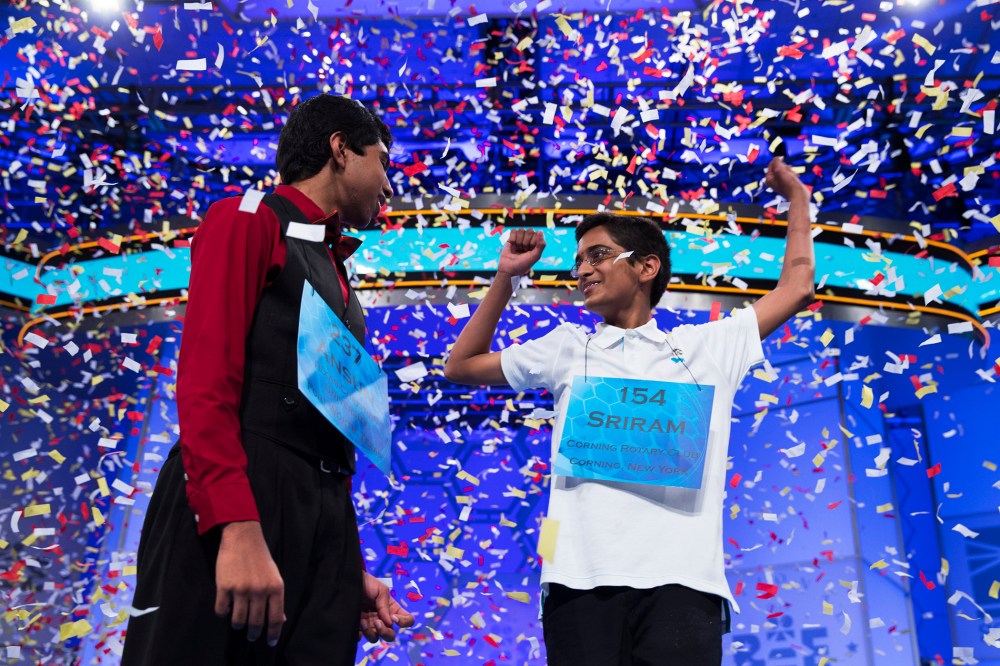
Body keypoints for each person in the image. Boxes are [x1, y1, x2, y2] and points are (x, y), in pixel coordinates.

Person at [444, 157, 814, 665]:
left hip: (683, 585)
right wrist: (507, 276)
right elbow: (460, 366)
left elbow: (797, 288)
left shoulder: (709, 348)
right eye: (578, 261)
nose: (583, 270)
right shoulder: (566, 348)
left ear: (645, 266)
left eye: (598, 255)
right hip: (579, 583)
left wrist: (797, 199)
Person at [122, 94, 414, 665]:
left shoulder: (338, 271)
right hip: (244, 498)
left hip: (322, 513)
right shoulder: (247, 219)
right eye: (382, 161)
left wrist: (345, 563)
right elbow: (206, 383)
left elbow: (328, 431)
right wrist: (236, 527)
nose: (388, 184)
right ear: (340, 149)